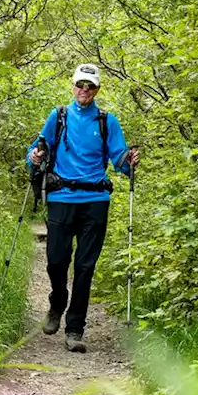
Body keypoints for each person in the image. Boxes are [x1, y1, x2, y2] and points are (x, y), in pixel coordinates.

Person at [27, 63, 139, 353]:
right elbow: (37, 151)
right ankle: (57, 304)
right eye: (80, 84)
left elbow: (120, 161)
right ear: (73, 86)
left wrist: (130, 162)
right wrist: (35, 156)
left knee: (85, 267)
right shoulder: (59, 116)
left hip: (95, 201)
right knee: (56, 261)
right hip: (62, 197)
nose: (84, 90)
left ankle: (75, 329)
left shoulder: (107, 121)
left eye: (90, 86)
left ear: (97, 89)